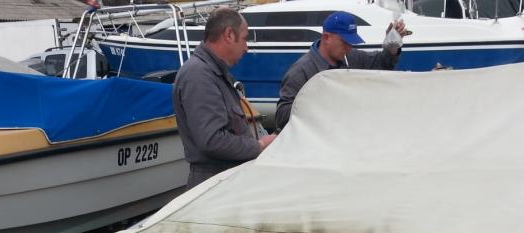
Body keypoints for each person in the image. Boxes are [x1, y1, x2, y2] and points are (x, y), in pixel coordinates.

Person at [173, 7, 276, 188]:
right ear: (229, 35)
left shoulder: (213, 73)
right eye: (244, 39)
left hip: (223, 181)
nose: (246, 47)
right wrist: (259, 146)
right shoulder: (198, 75)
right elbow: (212, 140)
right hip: (213, 185)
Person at [274, 12, 409, 131]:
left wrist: (392, 46)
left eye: (351, 42)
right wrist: (317, 104)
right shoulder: (301, 71)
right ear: (327, 37)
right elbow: (281, 117)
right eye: (345, 42)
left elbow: (382, 64)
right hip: (318, 143)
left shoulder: (352, 57)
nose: (349, 47)